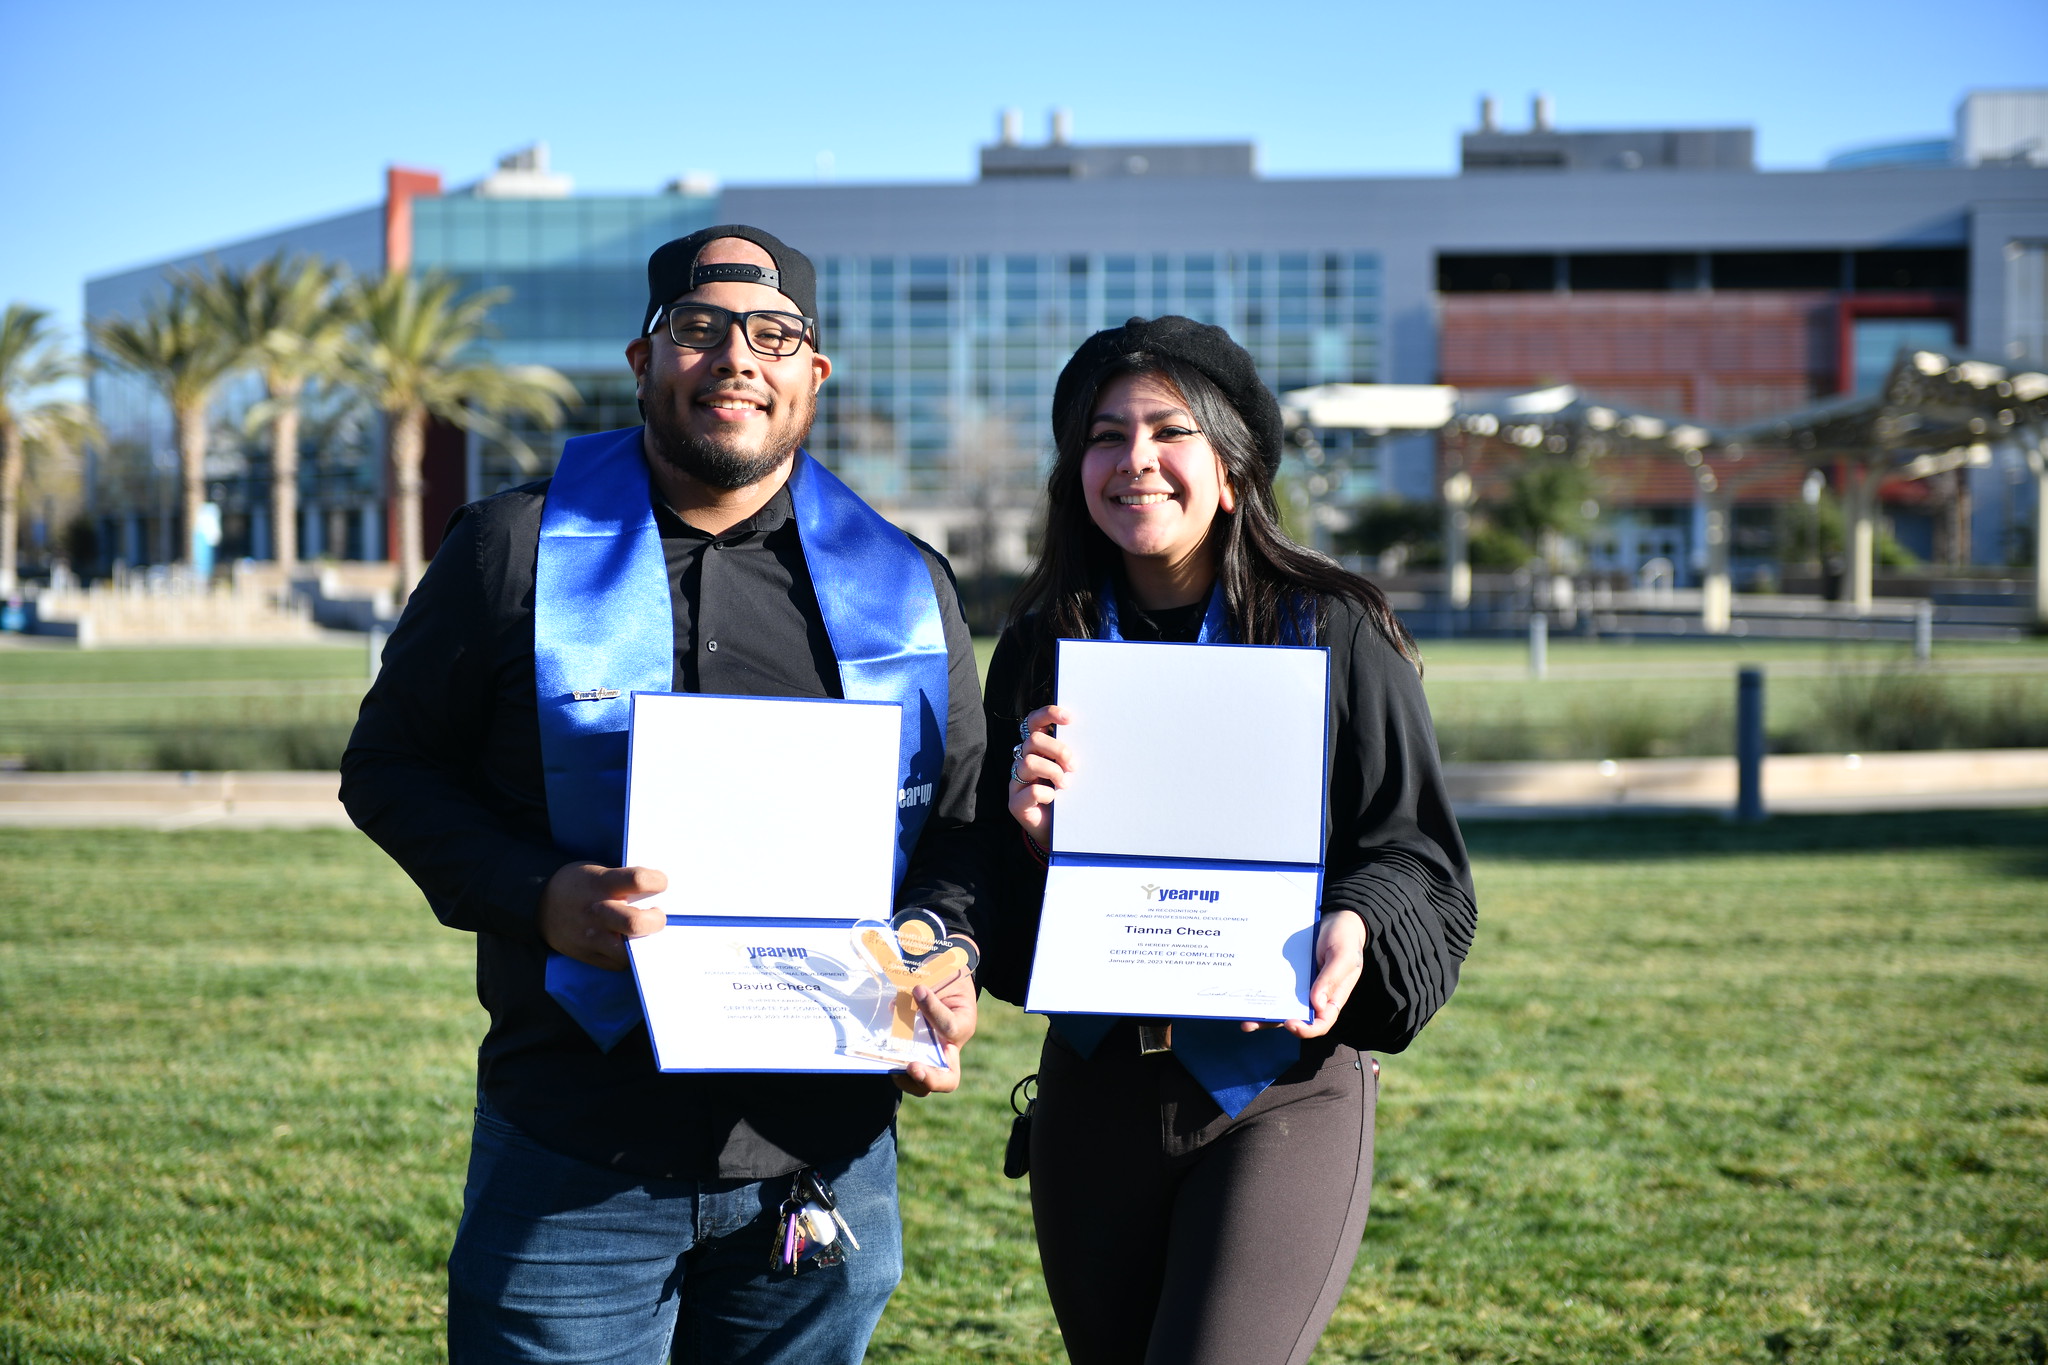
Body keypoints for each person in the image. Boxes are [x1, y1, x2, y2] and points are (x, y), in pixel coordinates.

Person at [341, 224, 986, 1364]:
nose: (736, 357)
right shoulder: (512, 550)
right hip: (575, 1160)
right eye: (698, 328)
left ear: (813, 375)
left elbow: (959, 829)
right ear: (643, 362)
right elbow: (389, 768)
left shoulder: (905, 584)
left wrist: (940, 949)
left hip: (821, 1168)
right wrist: (540, 896)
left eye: (772, 335)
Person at [972, 316, 1475, 1365]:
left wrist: (1357, 919)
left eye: (1170, 431)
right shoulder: (1039, 648)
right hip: (1093, 1094)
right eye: (1105, 436)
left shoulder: (1334, 630)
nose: (1135, 459)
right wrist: (1033, 847)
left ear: (1234, 470)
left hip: (1277, 1089)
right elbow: (998, 921)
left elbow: (1415, 854)